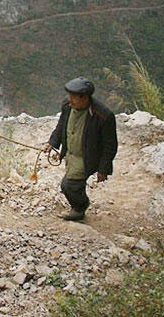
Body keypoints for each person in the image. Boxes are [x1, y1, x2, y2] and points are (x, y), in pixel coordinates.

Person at [43, 77, 118, 221]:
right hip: (70, 154)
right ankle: (79, 201)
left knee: (68, 185)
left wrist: (103, 169)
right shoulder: (67, 106)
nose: (70, 100)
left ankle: (79, 208)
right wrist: (52, 142)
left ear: (85, 98)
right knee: (75, 185)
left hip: (87, 157)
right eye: (69, 96)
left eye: (74, 97)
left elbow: (110, 146)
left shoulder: (103, 116)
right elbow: (61, 126)